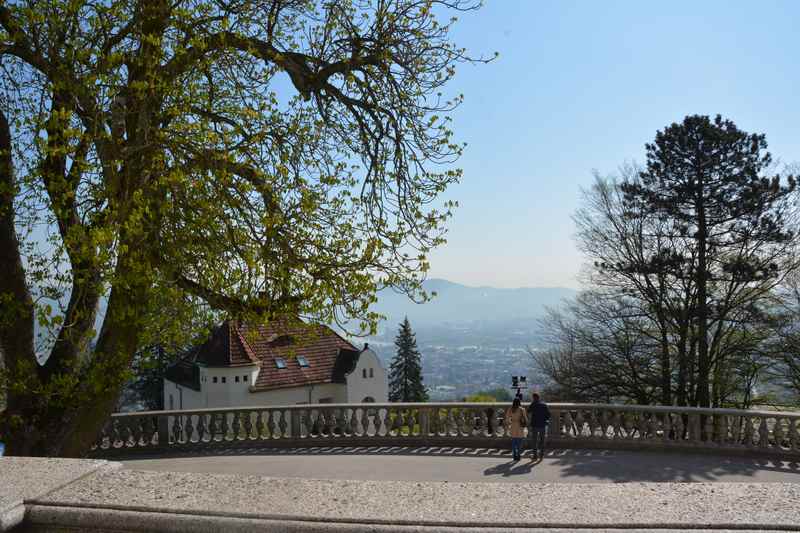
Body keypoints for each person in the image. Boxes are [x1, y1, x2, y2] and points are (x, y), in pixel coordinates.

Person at [526, 392, 551, 460]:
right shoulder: (544, 405)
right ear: (539, 397)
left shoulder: (533, 404)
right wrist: (544, 419)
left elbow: (528, 411)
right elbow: (548, 415)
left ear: (533, 398)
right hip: (542, 425)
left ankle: (535, 456)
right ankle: (541, 455)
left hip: (535, 425)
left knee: (535, 441)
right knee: (542, 440)